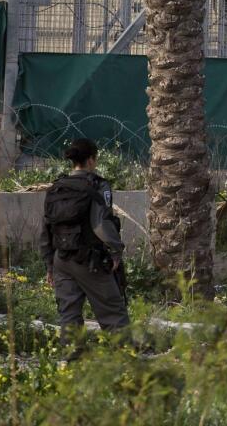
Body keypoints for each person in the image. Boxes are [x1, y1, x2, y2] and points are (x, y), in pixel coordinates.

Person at [41, 138, 130, 339]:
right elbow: (101, 223)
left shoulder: (57, 187)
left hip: (61, 260)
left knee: (69, 315)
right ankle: (126, 359)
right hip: (90, 260)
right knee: (113, 311)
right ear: (91, 160)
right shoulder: (98, 185)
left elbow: (46, 228)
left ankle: (72, 362)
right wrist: (116, 250)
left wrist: (49, 265)